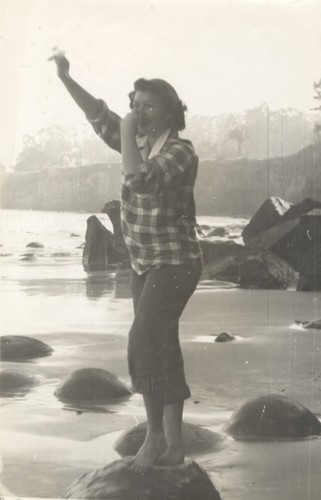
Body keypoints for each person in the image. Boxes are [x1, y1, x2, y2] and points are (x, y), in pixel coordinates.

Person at [49, 49, 203, 472]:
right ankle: (174, 445)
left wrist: (128, 127)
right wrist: (66, 77)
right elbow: (98, 114)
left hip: (176, 262)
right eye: (134, 104)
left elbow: (140, 181)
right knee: (163, 347)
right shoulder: (136, 141)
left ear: (171, 112)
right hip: (144, 264)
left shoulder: (180, 151)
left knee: (142, 342)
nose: (137, 111)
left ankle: (154, 438)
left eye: (147, 105)